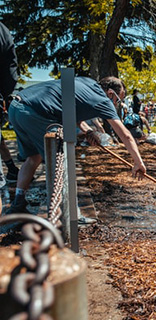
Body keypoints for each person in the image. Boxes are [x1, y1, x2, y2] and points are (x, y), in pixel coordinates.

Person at [6, 76, 147, 214]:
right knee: (58, 162)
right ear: (110, 93)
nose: (116, 104)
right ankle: (68, 213)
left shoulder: (87, 83)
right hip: (36, 112)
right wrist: (138, 162)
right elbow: (125, 135)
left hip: (16, 107)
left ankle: (18, 202)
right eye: (118, 100)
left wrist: (88, 132)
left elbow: (70, 110)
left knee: (34, 157)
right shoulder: (103, 100)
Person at [0, 22, 20, 186]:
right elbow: (10, 69)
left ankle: (11, 169)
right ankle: (11, 169)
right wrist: (5, 94)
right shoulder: (2, 30)